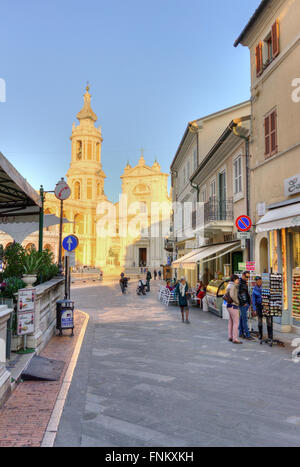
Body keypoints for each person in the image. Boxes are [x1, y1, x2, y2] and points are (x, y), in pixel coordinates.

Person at [252, 276, 272, 342]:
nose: (259, 282)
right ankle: (260, 335)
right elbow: (253, 300)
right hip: (259, 306)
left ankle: (270, 335)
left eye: (260, 281)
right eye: (258, 281)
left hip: (266, 305)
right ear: (256, 282)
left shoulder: (265, 287)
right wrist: (254, 309)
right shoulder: (254, 289)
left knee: (268, 320)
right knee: (260, 321)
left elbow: (269, 296)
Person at [238, 271, 255, 341]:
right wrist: (243, 302)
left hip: (245, 303)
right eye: (246, 277)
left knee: (242, 318)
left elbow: (244, 293)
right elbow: (239, 294)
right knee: (244, 319)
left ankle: (241, 333)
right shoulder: (240, 283)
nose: (248, 278)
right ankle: (247, 335)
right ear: (243, 275)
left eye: (249, 277)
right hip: (243, 303)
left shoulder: (243, 282)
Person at [226, 275, 242, 345]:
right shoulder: (233, 286)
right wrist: (237, 302)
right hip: (233, 305)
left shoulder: (228, 285)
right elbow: (232, 295)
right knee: (236, 322)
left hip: (229, 305)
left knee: (231, 321)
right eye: (237, 279)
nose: (238, 281)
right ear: (234, 280)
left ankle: (230, 336)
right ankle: (235, 338)